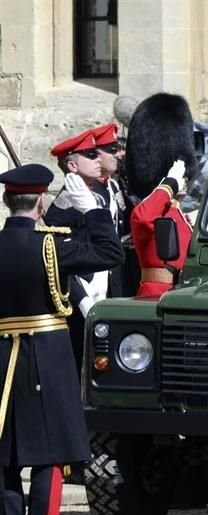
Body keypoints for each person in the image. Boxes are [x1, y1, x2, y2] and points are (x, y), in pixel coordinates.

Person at [0, 164, 123, 515]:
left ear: (6, 202)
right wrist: (90, 209)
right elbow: (110, 252)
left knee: (6, 458)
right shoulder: (51, 247)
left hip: (2, 355)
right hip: (48, 355)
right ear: (39, 201)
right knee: (50, 457)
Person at [45, 127, 123, 370]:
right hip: (82, 297)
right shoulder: (65, 206)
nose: (98, 159)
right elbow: (61, 255)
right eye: (90, 155)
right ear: (72, 166)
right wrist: (82, 300)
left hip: (104, 289)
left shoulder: (96, 196)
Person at [129, 161, 193, 296]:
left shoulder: (180, 215)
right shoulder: (152, 211)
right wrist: (170, 184)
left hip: (180, 292)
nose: (183, 179)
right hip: (156, 293)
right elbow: (143, 218)